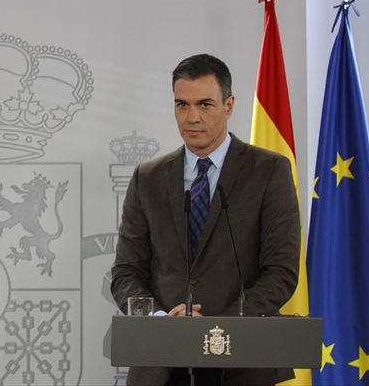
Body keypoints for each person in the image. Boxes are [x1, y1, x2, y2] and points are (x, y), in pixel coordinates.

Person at [111, 54, 300, 386]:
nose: (192, 116)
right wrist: (159, 320)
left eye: (205, 104)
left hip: (242, 362)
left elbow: (281, 273)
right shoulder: (148, 178)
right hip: (162, 365)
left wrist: (215, 327)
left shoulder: (269, 171)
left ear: (229, 105)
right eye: (182, 104)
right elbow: (126, 274)